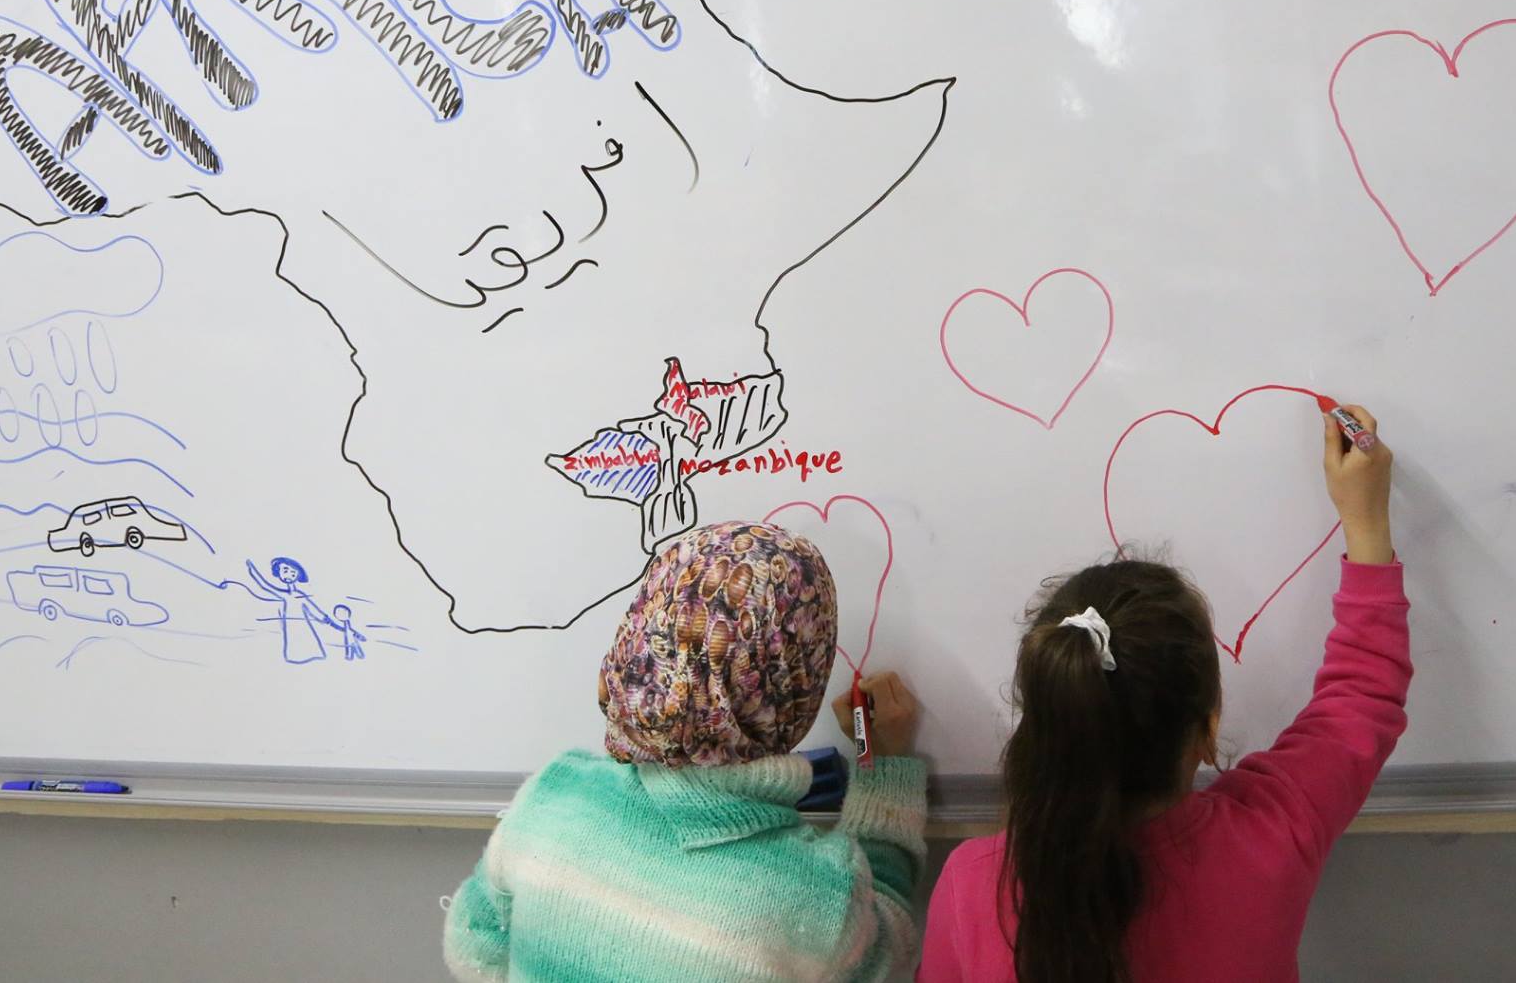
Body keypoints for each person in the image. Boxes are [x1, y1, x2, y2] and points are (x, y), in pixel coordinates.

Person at [920, 403, 1411, 983]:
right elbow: (1363, 694)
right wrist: (1367, 522)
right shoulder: (1270, 836)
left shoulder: (974, 886)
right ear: (1207, 731)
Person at [443, 521, 928, 983]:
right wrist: (882, 767)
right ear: (798, 681)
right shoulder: (815, 895)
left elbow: (474, 950)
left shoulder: (553, 799)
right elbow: (889, 939)